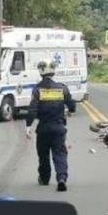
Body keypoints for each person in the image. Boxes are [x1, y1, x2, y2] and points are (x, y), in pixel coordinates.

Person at [25, 60, 75, 192]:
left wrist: (28, 126)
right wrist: (70, 111)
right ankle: (61, 178)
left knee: (43, 155)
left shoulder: (37, 90)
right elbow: (72, 105)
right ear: (53, 71)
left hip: (43, 129)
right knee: (59, 154)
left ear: (40, 71)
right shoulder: (62, 88)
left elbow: (32, 110)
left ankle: (44, 178)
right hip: (58, 128)